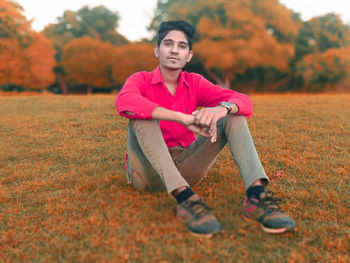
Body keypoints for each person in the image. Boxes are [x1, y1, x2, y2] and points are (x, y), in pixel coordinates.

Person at [115, 20, 296, 237]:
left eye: (182, 46)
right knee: (142, 116)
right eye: (168, 44)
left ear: (189, 55)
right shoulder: (140, 80)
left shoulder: (194, 82)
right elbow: (125, 102)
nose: (174, 50)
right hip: (147, 174)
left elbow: (243, 100)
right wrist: (181, 118)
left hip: (187, 166)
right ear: (157, 50)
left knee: (234, 115)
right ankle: (186, 200)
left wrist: (223, 109)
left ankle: (256, 196)